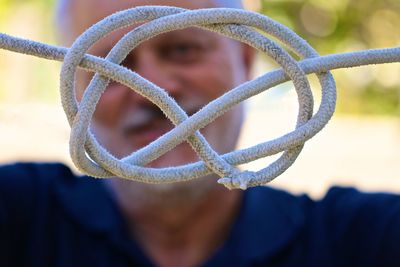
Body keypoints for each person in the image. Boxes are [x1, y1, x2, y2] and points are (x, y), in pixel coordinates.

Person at [1, 0, 399, 266]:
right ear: (72, 87)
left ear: (245, 61)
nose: (153, 88)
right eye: (111, 64)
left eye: (181, 49)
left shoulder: (363, 239)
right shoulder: (18, 215)